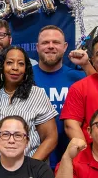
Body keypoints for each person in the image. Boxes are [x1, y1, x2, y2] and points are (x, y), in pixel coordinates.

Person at [0, 46, 58, 160]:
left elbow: (51, 138)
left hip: (30, 171)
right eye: (9, 63)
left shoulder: (37, 94)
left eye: (21, 64)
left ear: (26, 69)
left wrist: (30, 168)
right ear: (2, 67)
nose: (15, 68)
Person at [30, 25, 87, 167]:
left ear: (65, 46)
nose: (50, 46)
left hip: (74, 158)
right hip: (35, 158)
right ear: (37, 47)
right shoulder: (24, 77)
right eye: (45, 43)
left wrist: (87, 65)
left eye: (56, 42)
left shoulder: (78, 77)